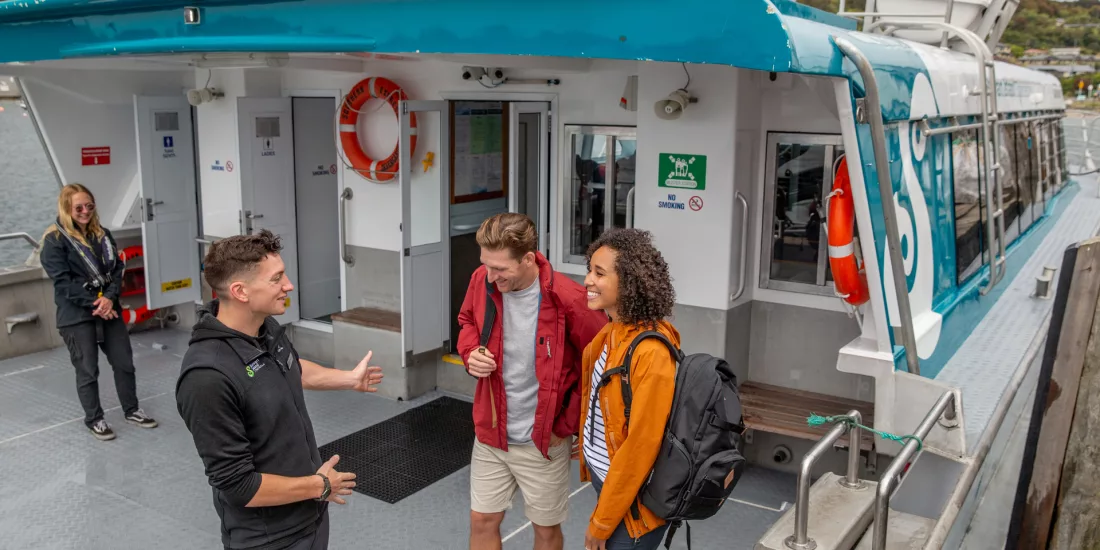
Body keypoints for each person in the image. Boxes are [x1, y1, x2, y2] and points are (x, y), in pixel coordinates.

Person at [175, 230, 384, 550]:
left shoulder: (264, 328)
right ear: (240, 291)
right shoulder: (207, 377)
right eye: (277, 279)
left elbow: (290, 366)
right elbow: (239, 486)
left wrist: (348, 379)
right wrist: (319, 484)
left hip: (311, 514)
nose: (288, 286)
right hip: (269, 539)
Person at [458, 213, 607, 550]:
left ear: (528, 259)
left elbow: (600, 364)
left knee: (545, 530)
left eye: (500, 269)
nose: (491, 277)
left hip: (543, 441)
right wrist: (470, 353)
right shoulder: (481, 280)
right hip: (492, 433)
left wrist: (567, 425)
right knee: (482, 520)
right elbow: (467, 320)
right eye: (486, 265)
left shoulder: (569, 299)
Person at [578, 228, 679, 550]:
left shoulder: (651, 352)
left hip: (634, 502)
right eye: (589, 270)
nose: (587, 281)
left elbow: (640, 448)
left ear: (629, 281)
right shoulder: (610, 333)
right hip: (609, 484)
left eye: (599, 273)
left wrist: (601, 523)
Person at [40, 183, 158, 441]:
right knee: (87, 370)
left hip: (109, 311)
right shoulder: (54, 241)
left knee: (124, 363)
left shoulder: (101, 234)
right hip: (77, 317)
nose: (85, 211)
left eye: (89, 206)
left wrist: (109, 299)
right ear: (67, 209)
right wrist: (98, 303)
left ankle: (132, 409)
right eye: (79, 207)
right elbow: (63, 282)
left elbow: (116, 270)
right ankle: (94, 419)